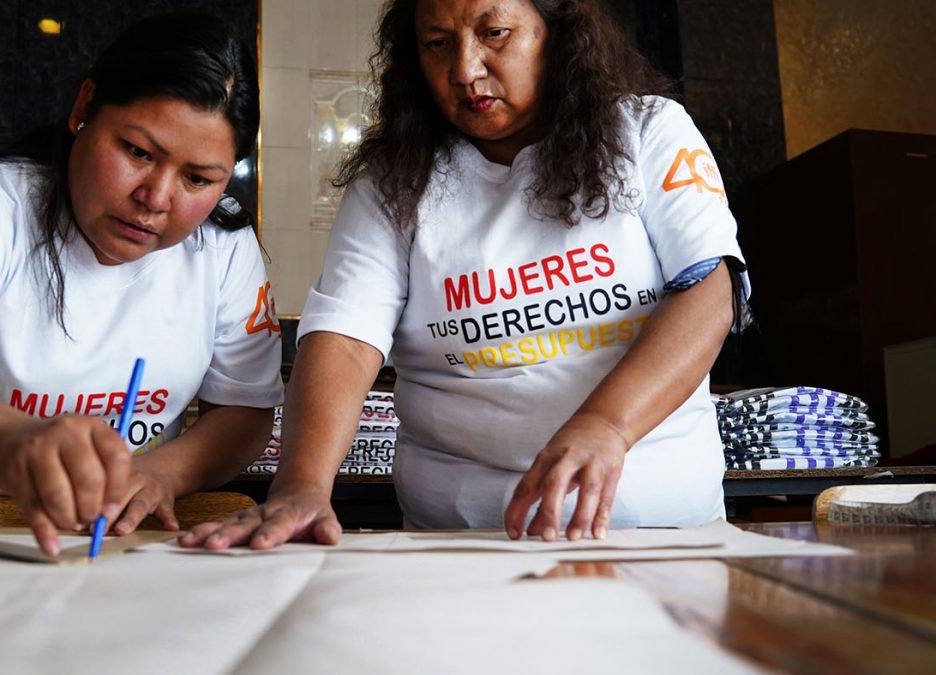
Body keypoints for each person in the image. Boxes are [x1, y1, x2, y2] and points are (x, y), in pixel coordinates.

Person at [181, 0, 749, 550]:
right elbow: (347, 338)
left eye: (495, 33)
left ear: (557, 33)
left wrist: (607, 426)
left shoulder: (648, 130)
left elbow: (708, 290)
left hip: (662, 531)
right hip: (460, 538)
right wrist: (301, 486)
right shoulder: (393, 181)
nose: (465, 69)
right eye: (438, 43)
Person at [0, 13, 282, 556]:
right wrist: (5, 439)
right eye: (138, 153)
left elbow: (244, 409)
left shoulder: (222, 246)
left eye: (198, 178)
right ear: (84, 107)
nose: (157, 197)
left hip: (124, 549)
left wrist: (164, 474)